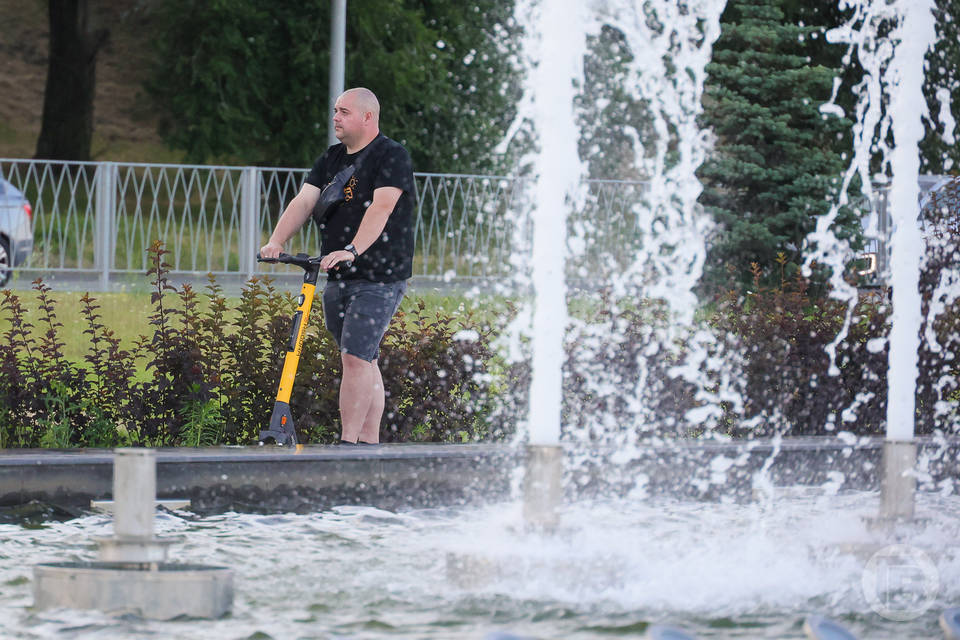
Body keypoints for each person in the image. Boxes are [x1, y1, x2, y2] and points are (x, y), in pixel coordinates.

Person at [260, 87, 415, 444]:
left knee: (356, 358)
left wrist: (352, 249)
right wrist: (276, 241)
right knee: (364, 359)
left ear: (367, 117)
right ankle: (368, 445)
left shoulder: (391, 156)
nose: (335, 118)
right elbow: (305, 200)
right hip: (339, 275)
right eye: (335, 111)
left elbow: (382, 207)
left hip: (379, 277)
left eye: (344, 112)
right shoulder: (331, 158)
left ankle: (347, 446)